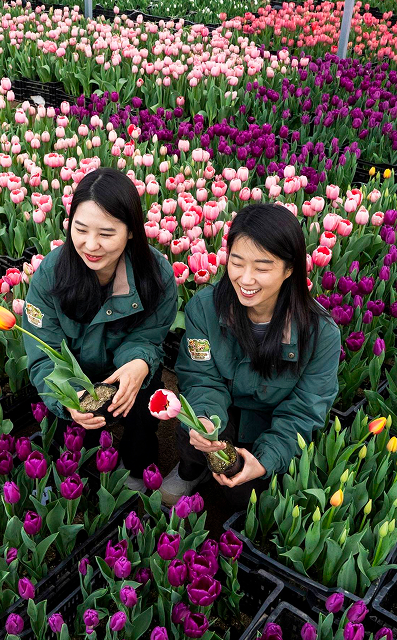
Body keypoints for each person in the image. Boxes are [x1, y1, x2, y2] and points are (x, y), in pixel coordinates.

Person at [164, 203, 341, 507]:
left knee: (240, 496)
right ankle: (190, 470)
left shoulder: (319, 332)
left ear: (290, 269)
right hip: (223, 408)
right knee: (195, 435)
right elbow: (200, 376)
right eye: (237, 262)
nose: (245, 280)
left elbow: (305, 409)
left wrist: (267, 458)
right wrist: (207, 419)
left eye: (262, 267)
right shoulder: (205, 309)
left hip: (270, 421)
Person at [23, 167, 178, 490]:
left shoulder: (157, 276)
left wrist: (139, 363)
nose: (90, 245)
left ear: (132, 231)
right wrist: (67, 394)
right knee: (78, 454)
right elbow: (42, 350)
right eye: (80, 229)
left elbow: (149, 336)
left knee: (140, 446)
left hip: (128, 373)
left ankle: (136, 464)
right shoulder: (51, 275)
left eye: (106, 234)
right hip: (76, 378)